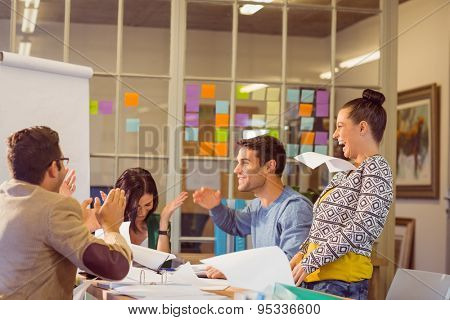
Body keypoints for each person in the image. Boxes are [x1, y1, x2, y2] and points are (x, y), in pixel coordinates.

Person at [0, 126, 132, 299]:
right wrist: (111, 226)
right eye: (63, 162)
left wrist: (80, 226)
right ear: (54, 167)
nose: (64, 170)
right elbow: (115, 267)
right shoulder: (55, 208)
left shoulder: (5, 198)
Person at [290, 89, 394, 300]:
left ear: (362, 127)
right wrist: (300, 255)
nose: (335, 135)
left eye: (339, 126)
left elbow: (363, 227)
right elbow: (322, 228)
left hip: (341, 283)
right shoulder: (346, 171)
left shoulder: (377, 168)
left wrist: (312, 260)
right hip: (316, 278)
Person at [193, 135, 313, 279]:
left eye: (245, 163)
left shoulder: (294, 208)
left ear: (269, 167)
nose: (237, 170)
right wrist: (215, 207)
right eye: (238, 163)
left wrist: (235, 271)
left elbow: (291, 264)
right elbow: (235, 223)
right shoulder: (257, 205)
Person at [100, 168, 188, 253]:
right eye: (136, 206)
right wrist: (109, 223)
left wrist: (163, 222)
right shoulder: (109, 221)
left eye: (147, 205)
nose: (142, 212)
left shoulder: (157, 223)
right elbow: (106, 261)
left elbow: (164, 265)